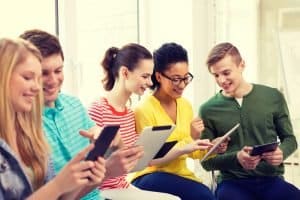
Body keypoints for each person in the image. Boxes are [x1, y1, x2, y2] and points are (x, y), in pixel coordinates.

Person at [19, 29, 144, 200]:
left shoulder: (74, 105)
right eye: (44, 73)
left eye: (58, 71)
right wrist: (106, 171)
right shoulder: (22, 122)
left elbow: (107, 141)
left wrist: (114, 141)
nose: (53, 80)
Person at [0, 38, 106, 199]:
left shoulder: (30, 133)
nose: (37, 87)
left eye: (37, 78)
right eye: (28, 77)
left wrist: (86, 180)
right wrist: (58, 185)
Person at [199, 42, 300, 200]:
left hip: (271, 180)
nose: (221, 80)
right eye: (216, 75)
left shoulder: (273, 97)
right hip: (232, 183)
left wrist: (282, 152)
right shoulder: (208, 109)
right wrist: (236, 158)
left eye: (226, 73)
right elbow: (206, 162)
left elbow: (290, 140)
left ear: (242, 65)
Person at [88, 43, 181, 200]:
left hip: (122, 186)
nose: (151, 83)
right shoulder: (98, 109)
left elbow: (131, 164)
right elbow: (88, 163)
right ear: (125, 73)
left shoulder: (129, 114)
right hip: (100, 190)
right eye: (145, 76)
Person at [131, 42, 218, 200]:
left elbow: (191, 151)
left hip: (179, 175)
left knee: (208, 194)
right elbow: (151, 160)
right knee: (204, 196)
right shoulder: (144, 109)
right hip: (150, 176)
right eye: (176, 79)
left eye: (186, 78)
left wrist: (212, 148)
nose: (182, 85)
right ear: (158, 76)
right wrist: (188, 142)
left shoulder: (185, 106)